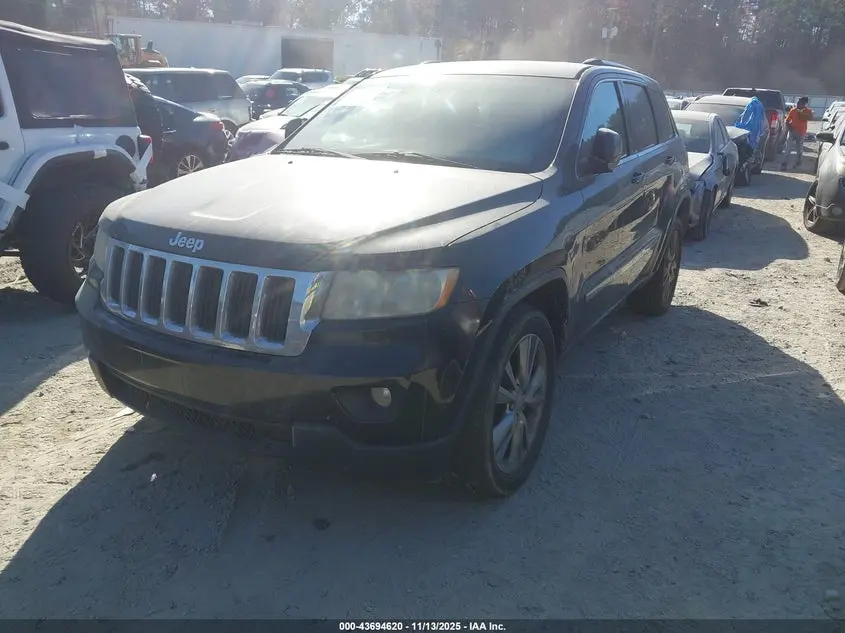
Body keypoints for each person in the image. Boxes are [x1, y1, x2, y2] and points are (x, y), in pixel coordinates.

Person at [781, 96, 813, 169]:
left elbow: (810, 118)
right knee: (787, 148)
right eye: (798, 103)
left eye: (801, 103)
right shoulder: (793, 110)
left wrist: (801, 113)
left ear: (804, 104)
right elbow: (787, 120)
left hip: (801, 132)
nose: (799, 104)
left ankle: (798, 162)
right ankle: (784, 163)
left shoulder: (808, 111)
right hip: (792, 131)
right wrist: (789, 127)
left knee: (799, 149)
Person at [735, 94, 766, 166]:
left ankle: (749, 158)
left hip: (747, 129)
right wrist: (761, 130)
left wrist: (740, 123)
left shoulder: (751, 104)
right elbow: (762, 119)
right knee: (753, 144)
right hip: (756, 129)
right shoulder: (760, 105)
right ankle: (752, 158)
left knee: (747, 144)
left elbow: (744, 116)